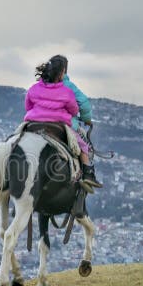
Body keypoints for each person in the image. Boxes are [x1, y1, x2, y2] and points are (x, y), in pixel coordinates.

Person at [24, 56, 101, 188]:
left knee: (15, 138)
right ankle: (88, 174)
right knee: (83, 146)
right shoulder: (67, 90)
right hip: (59, 124)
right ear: (63, 72)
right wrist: (83, 118)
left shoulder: (34, 88)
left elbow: (28, 106)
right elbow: (74, 109)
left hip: (33, 122)